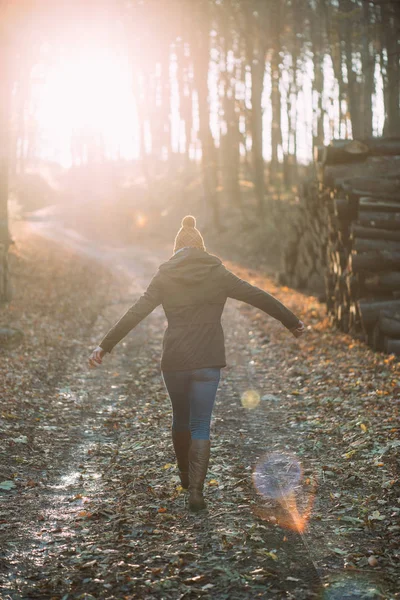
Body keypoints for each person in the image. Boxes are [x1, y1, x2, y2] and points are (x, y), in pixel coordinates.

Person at [89, 215, 305, 512]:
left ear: (176, 248)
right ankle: (197, 493)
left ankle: (185, 476)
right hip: (207, 360)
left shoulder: (165, 275)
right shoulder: (218, 273)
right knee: (200, 424)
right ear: (202, 247)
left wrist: (105, 345)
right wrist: (290, 321)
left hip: (175, 360)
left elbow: (136, 311)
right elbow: (256, 295)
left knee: (180, 418)